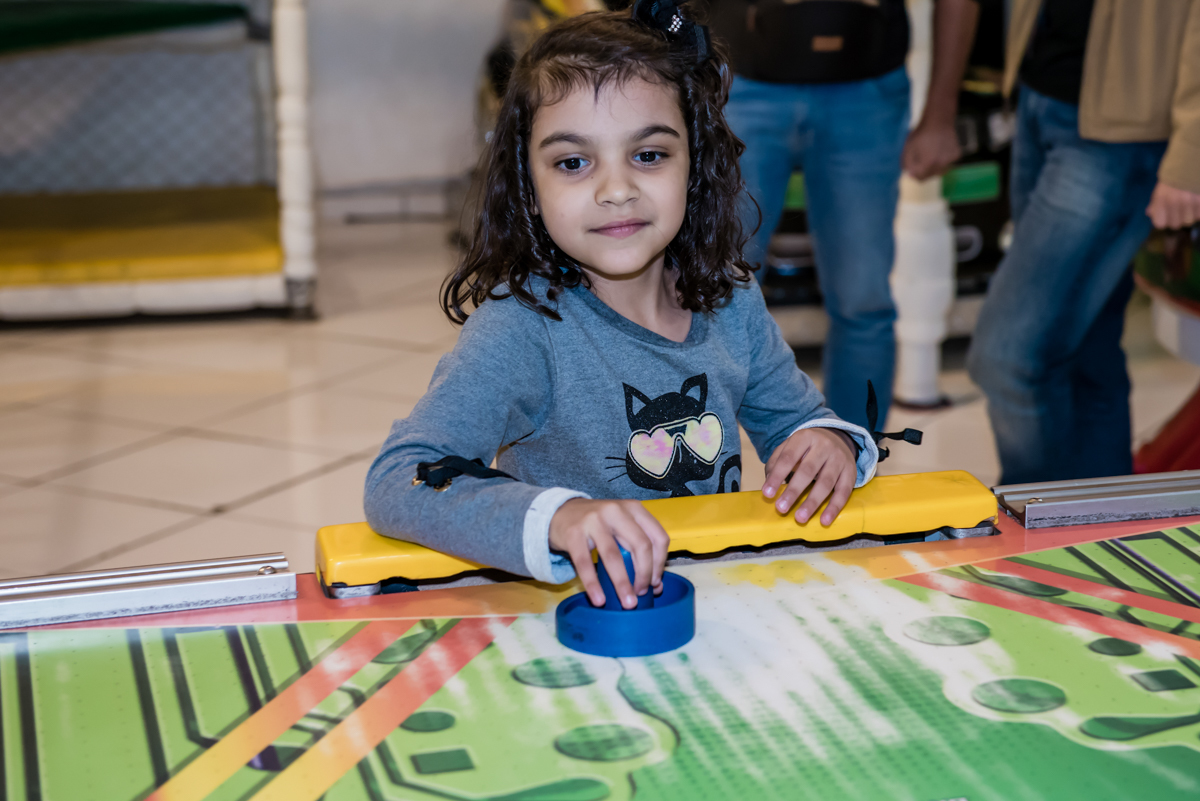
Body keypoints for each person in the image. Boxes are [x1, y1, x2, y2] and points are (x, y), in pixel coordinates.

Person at [364, 2, 879, 611]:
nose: (616, 190)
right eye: (573, 162)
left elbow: (795, 423)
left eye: (649, 154)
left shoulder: (731, 297)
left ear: (694, 166)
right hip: (576, 620)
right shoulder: (522, 327)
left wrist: (828, 443)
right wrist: (561, 518)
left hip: (721, 604)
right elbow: (402, 478)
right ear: (528, 188)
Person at [701, 0, 981, 429]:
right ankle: (701, 468)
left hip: (867, 90)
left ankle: (856, 464)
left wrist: (941, 113)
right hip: (740, 79)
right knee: (713, 294)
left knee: (863, 304)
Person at [966, 0, 1200, 484]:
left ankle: (1032, 524)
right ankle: (1106, 529)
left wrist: (1192, 156)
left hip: (1121, 133)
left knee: (1007, 357)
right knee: (1087, 348)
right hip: (1043, 98)